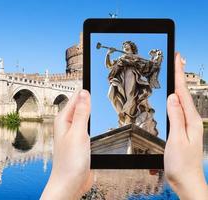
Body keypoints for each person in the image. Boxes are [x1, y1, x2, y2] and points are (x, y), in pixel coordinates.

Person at [41, 53, 208, 200]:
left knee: (131, 101)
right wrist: (193, 186)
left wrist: (60, 189)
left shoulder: (136, 60)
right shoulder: (121, 59)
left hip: (133, 82)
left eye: (126, 45)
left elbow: (150, 68)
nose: (125, 47)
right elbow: (110, 66)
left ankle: (130, 118)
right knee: (117, 97)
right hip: (123, 81)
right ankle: (127, 119)